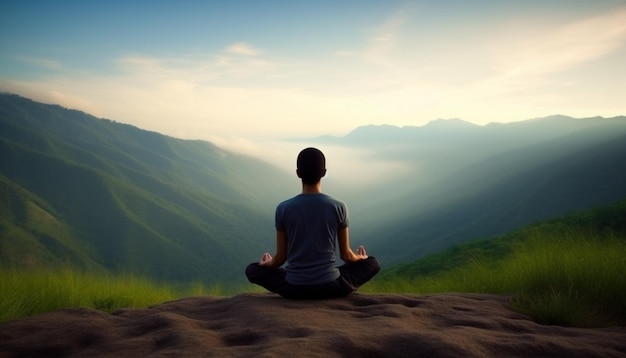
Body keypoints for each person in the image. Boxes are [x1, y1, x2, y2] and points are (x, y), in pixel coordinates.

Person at [245, 147, 380, 299]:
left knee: (252, 269)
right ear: (324, 172)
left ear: (298, 173)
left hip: (294, 288)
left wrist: (267, 264)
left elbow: (280, 259)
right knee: (372, 263)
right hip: (331, 286)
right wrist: (361, 259)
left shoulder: (283, 208)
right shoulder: (338, 206)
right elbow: (346, 255)